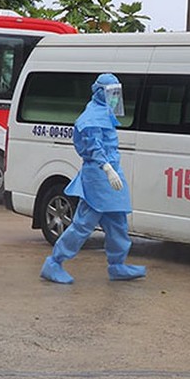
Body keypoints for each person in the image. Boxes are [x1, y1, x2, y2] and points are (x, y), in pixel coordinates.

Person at [40, 73, 146, 284]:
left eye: (117, 93)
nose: (115, 98)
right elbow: (92, 148)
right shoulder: (91, 118)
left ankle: (117, 265)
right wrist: (107, 169)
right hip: (98, 176)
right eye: (111, 93)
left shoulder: (105, 114)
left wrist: (112, 169)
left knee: (117, 222)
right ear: (99, 93)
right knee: (83, 224)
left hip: (111, 174)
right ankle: (54, 263)